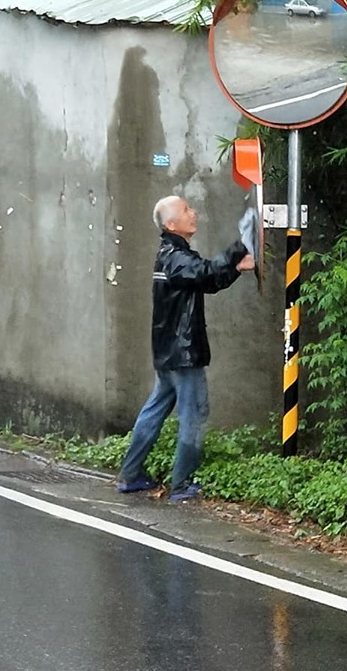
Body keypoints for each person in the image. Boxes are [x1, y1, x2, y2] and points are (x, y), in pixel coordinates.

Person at [116, 195, 255, 502]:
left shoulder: (171, 255)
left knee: (155, 410)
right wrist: (240, 245)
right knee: (194, 413)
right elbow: (204, 273)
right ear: (171, 224)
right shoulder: (176, 257)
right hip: (183, 351)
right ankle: (182, 484)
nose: (194, 213)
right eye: (186, 210)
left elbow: (205, 280)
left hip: (168, 350)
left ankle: (131, 474)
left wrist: (236, 265)